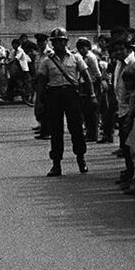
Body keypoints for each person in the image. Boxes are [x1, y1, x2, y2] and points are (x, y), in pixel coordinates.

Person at [35, 27, 91, 176]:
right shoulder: (47, 61)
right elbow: (41, 82)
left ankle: (81, 158)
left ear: (66, 42)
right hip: (53, 95)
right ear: (52, 43)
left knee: (76, 128)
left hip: (71, 94)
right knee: (56, 130)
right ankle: (56, 164)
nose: (59, 43)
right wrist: (39, 101)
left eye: (61, 41)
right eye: (56, 41)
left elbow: (86, 76)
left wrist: (91, 95)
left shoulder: (76, 58)